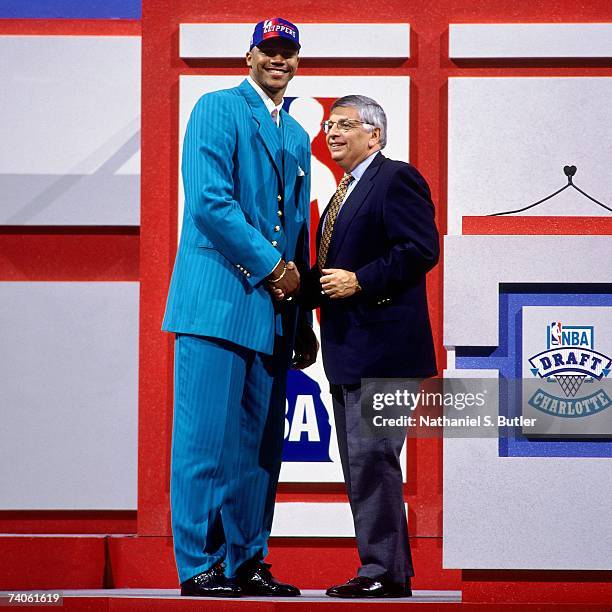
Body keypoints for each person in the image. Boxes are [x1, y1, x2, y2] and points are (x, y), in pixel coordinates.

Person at [162, 17, 317, 598]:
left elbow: (298, 230)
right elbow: (209, 203)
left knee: (258, 451)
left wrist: (301, 317)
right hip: (216, 303)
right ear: (249, 55)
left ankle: (247, 561)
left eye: (288, 51)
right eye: (269, 50)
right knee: (204, 443)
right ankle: (198, 564)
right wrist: (275, 268)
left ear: (298, 61)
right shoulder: (217, 108)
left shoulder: (297, 135)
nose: (279, 59)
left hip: (273, 315)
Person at [289, 95, 440, 597]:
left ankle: (382, 572)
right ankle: (386, 571)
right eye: (329, 125)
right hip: (348, 350)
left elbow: (420, 250)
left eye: (344, 125)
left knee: (374, 461)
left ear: (374, 135)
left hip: (387, 349)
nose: (331, 133)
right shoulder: (340, 193)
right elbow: (328, 274)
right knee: (361, 464)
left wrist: (361, 281)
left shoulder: (395, 178)